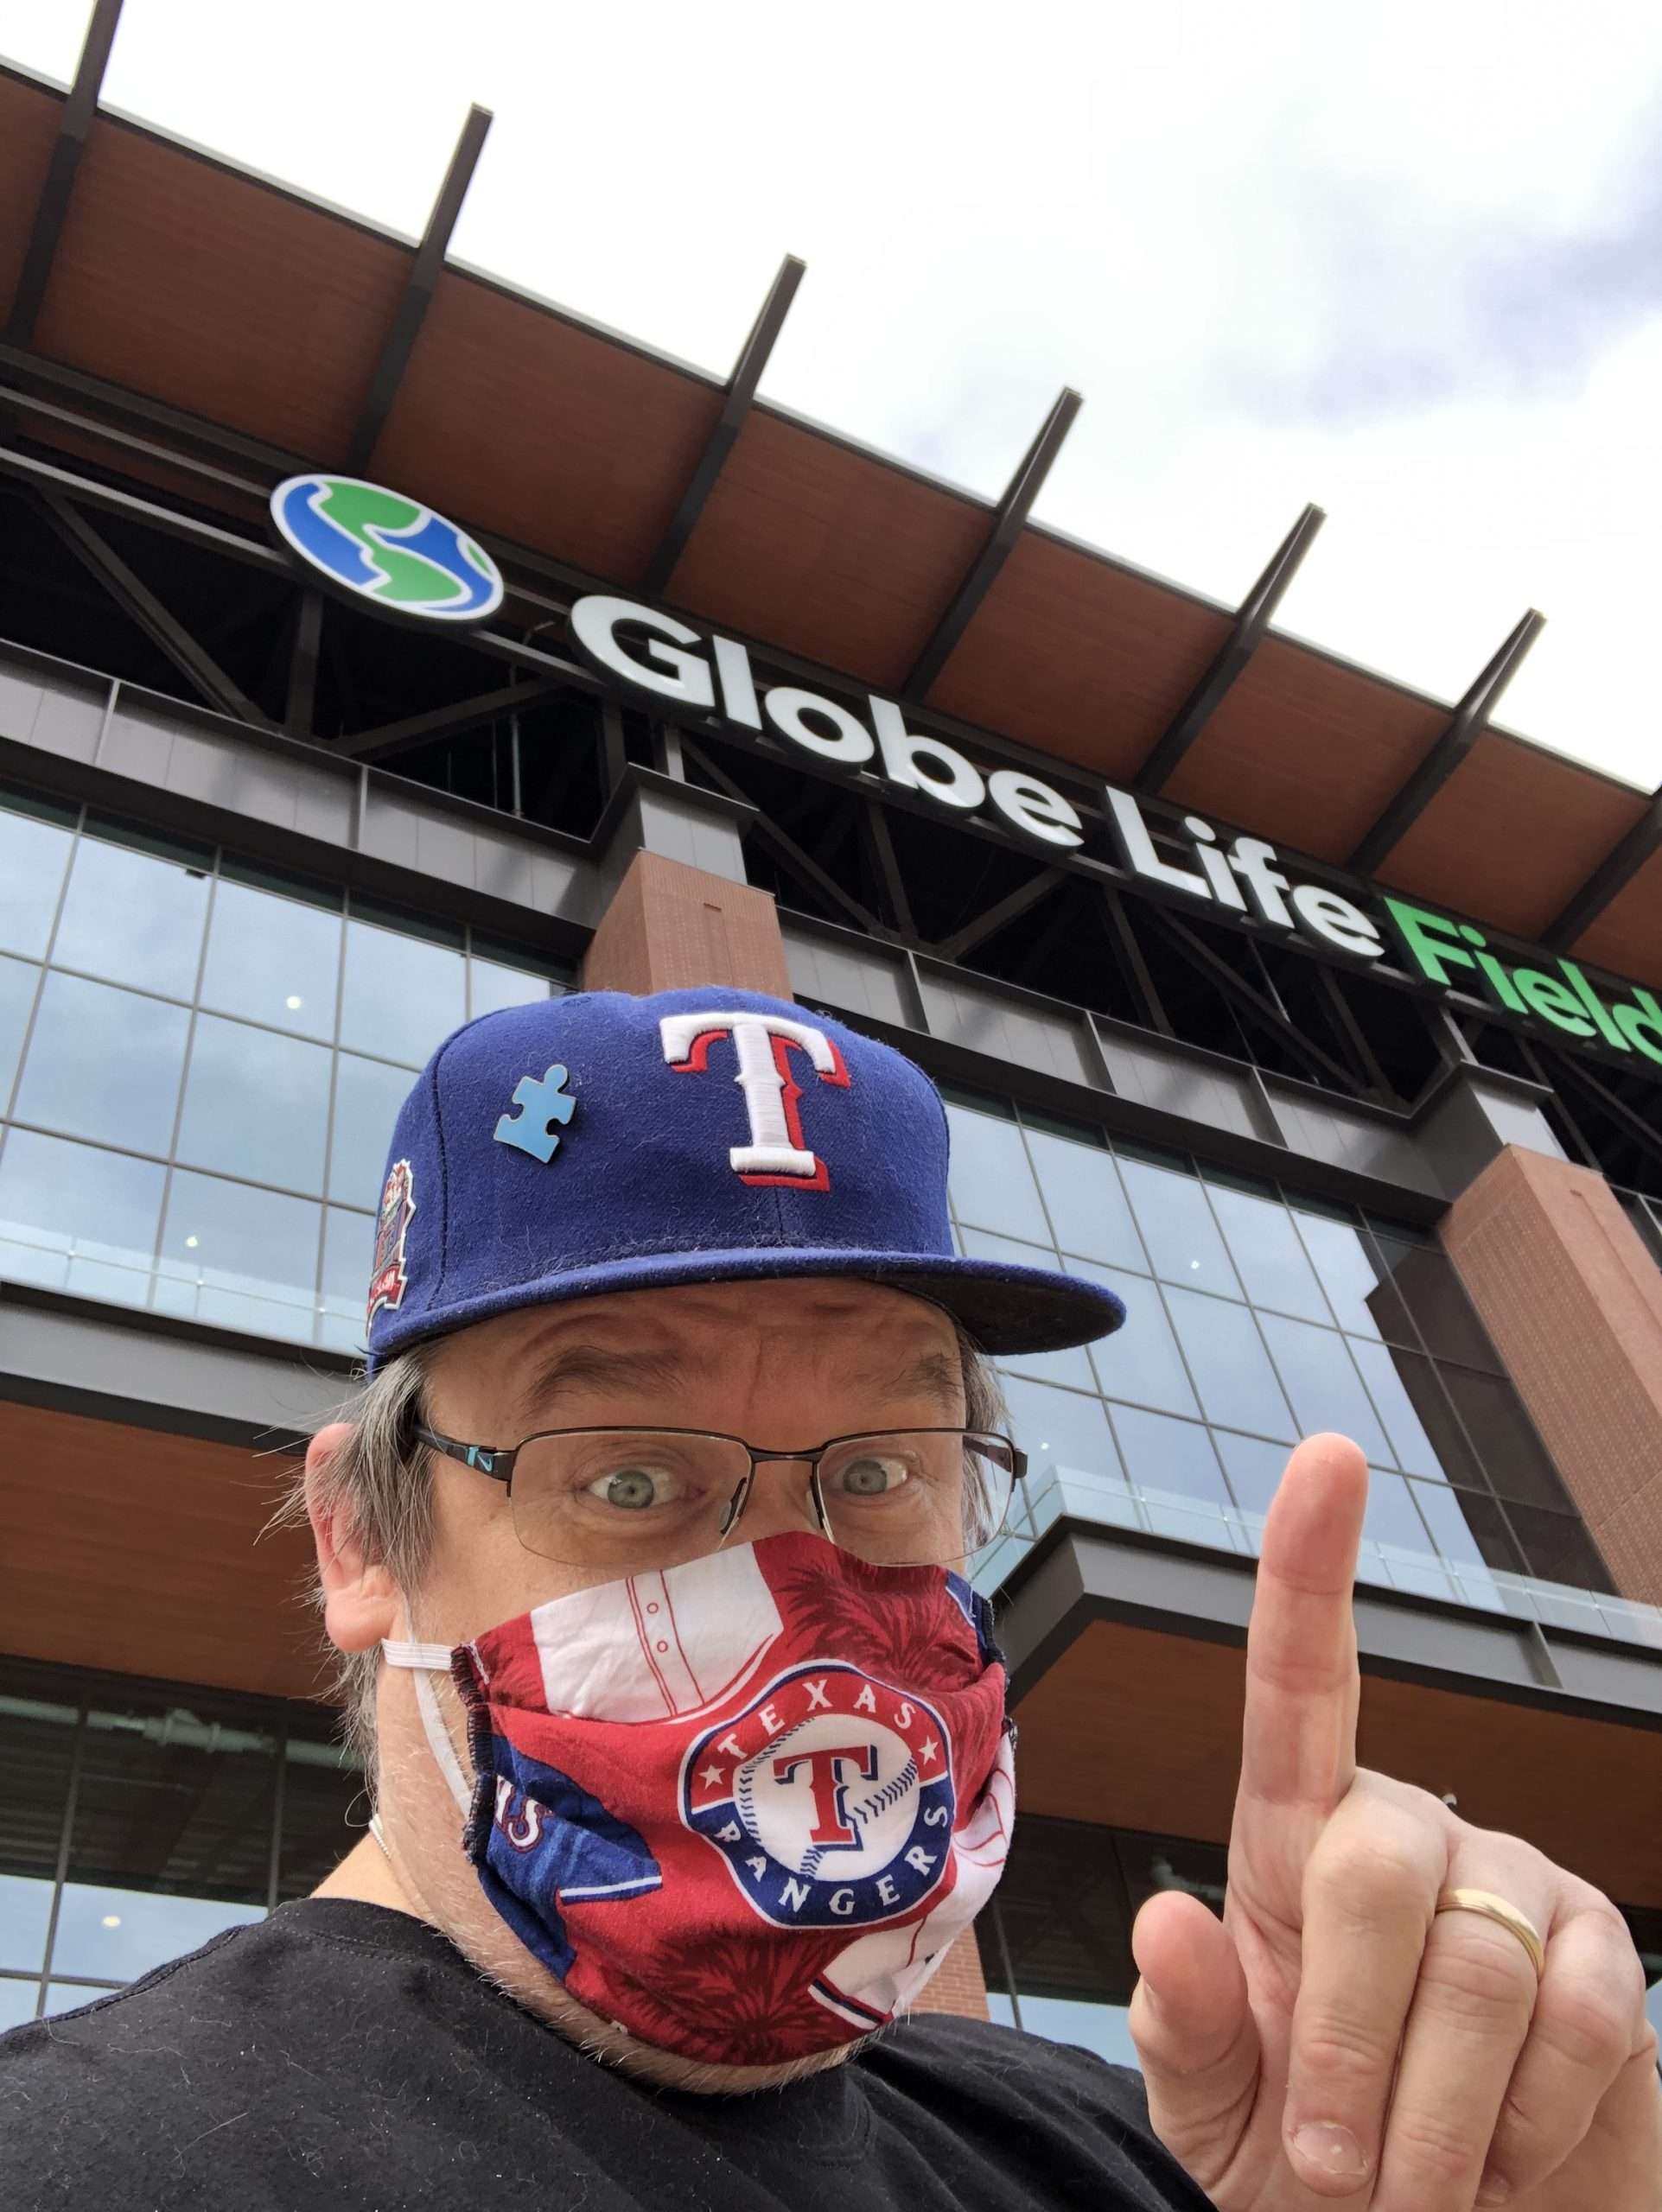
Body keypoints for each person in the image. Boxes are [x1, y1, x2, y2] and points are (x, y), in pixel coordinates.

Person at [2, 986, 1655, 2212]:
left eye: (879, 1473)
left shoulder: (1134, 2150)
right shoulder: (85, 2162)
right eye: (629, 1479)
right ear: (360, 1544)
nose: (797, 1595)